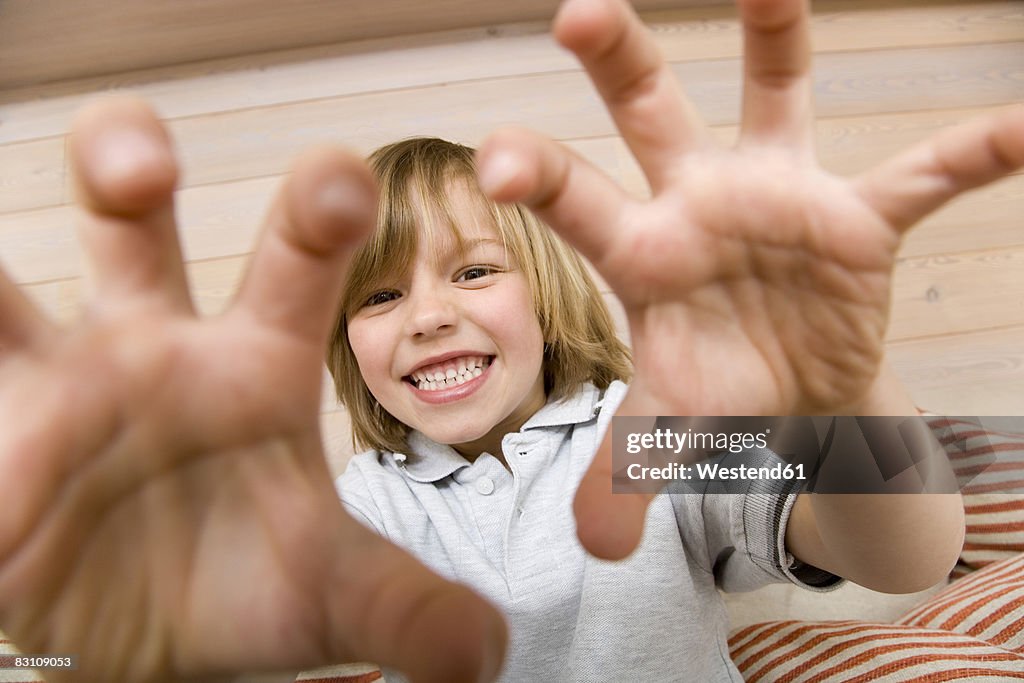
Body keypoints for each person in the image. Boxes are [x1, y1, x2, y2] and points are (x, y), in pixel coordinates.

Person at [0, 0, 1021, 680]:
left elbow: (909, 554)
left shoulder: (642, 436)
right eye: (379, 294)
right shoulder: (370, 495)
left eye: (474, 271)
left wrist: (839, 376)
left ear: (543, 301)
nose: (428, 314)